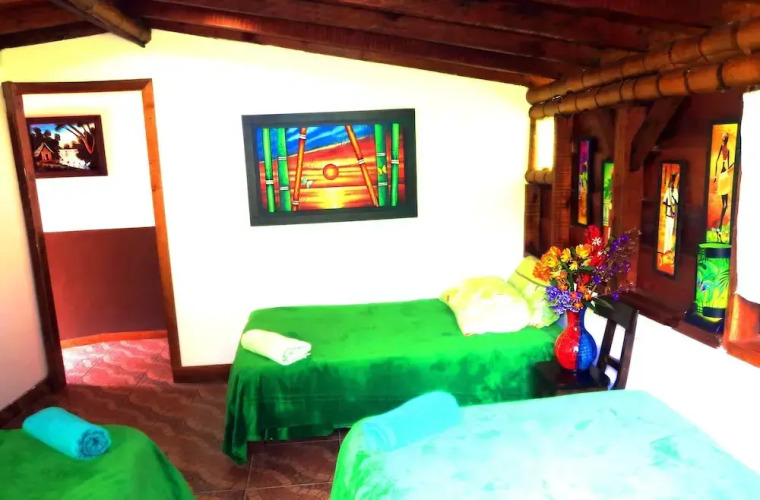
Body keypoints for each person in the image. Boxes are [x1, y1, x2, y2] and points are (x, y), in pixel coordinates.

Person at [713, 132, 735, 242]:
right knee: (724, 204)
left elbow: (729, 165)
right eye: (724, 138)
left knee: (725, 205)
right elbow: (717, 162)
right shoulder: (721, 149)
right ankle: (718, 228)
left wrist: (733, 166)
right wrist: (715, 176)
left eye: (726, 138)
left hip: (725, 176)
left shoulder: (728, 151)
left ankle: (719, 228)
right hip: (722, 176)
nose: (725, 139)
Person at [662, 172, 678, 254]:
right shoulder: (670, 191)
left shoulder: (674, 191)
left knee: (670, 231)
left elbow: (675, 201)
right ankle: (666, 248)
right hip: (670, 213)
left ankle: (669, 248)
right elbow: (664, 201)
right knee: (668, 231)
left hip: (672, 213)